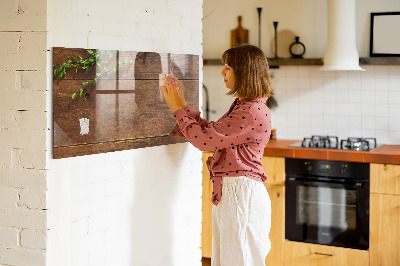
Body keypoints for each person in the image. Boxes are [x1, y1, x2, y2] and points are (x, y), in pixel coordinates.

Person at [160, 44, 273, 266]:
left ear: (244, 71)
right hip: (236, 193)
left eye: (228, 67)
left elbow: (204, 141)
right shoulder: (246, 106)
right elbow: (213, 133)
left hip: (241, 195)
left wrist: (176, 108)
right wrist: (182, 103)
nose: (222, 72)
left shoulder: (250, 111)